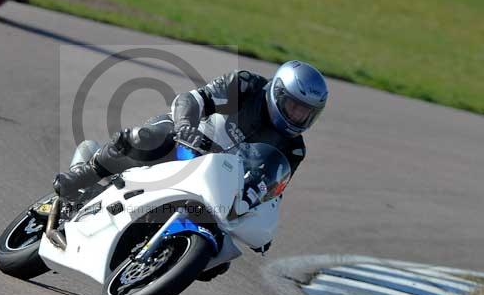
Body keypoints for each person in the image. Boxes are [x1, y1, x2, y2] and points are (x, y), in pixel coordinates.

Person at [54, 61, 329, 206]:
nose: (297, 116)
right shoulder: (245, 85)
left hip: (217, 182)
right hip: (185, 142)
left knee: (218, 260)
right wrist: (185, 126)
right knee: (145, 138)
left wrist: (259, 205)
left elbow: (273, 188)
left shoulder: (293, 149)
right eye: (293, 106)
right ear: (278, 92)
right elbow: (194, 99)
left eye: (305, 112)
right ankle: (87, 173)